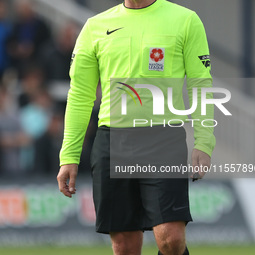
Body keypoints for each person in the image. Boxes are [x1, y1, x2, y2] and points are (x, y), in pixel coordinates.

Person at [57, 1, 215, 255]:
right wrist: (69, 156)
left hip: (163, 138)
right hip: (113, 141)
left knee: (171, 239)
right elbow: (80, 95)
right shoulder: (94, 27)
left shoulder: (185, 20)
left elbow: (200, 84)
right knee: (124, 246)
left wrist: (204, 140)